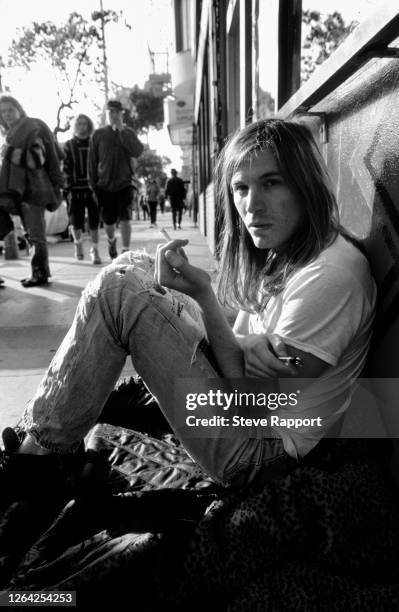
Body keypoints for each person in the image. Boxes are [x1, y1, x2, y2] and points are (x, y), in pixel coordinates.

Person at [1, 119, 376, 495]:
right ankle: (37, 439)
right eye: (241, 188)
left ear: (305, 184)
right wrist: (232, 333)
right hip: (246, 413)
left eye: (271, 183)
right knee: (135, 265)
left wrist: (204, 299)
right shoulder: (293, 249)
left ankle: (38, 459)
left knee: (121, 291)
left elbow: (251, 405)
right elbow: (246, 346)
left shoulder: (330, 276)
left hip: (258, 454)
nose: (252, 205)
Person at [0, 95, 63, 287]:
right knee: (31, 234)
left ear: (19, 109)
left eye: (10, 110)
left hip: (33, 189)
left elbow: (37, 158)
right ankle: (38, 271)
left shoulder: (30, 129)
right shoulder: (12, 133)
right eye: (3, 112)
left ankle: (40, 273)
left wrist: (9, 152)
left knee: (36, 234)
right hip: (21, 190)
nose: (6, 114)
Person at [88, 100, 143, 260]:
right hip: (104, 185)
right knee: (109, 221)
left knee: (125, 216)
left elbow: (137, 151)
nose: (113, 115)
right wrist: (93, 184)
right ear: (105, 114)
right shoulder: (98, 134)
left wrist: (122, 131)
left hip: (125, 183)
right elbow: (92, 161)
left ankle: (125, 250)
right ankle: (111, 240)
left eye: (116, 112)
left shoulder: (128, 132)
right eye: (110, 112)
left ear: (121, 114)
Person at [63, 114, 101, 265]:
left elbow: (100, 164)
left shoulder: (94, 143)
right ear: (75, 126)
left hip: (93, 188)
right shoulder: (69, 144)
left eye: (85, 123)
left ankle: (95, 250)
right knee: (75, 222)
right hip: (75, 189)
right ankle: (78, 244)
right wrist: (66, 188)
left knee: (94, 222)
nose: (82, 126)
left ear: (89, 125)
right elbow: (65, 167)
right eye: (79, 124)